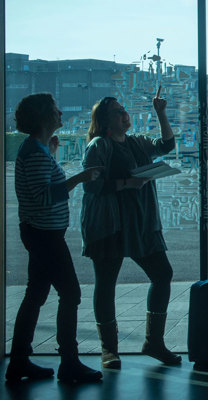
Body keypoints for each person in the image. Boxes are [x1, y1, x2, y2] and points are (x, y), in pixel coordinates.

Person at [6, 93, 103, 383]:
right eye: (55, 110)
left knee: (35, 296)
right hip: (45, 236)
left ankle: (19, 361)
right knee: (70, 293)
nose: (61, 114)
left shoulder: (37, 149)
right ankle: (69, 362)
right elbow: (45, 196)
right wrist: (81, 178)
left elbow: (41, 187)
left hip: (40, 234)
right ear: (44, 117)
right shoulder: (35, 153)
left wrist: (53, 153)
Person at [80, 91, 181, 369]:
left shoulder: (136, 142)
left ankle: (153, 342)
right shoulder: (99, 145)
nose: (125, 114)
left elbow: (166, 145)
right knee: (106, 283)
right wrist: (127, 184)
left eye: (125, 109)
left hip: (140, 223)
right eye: (118, 111)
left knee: (162, 274)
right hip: (110, 225)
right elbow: (90, 184)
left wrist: (161, 113)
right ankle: (109, 349)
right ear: (104, 121)